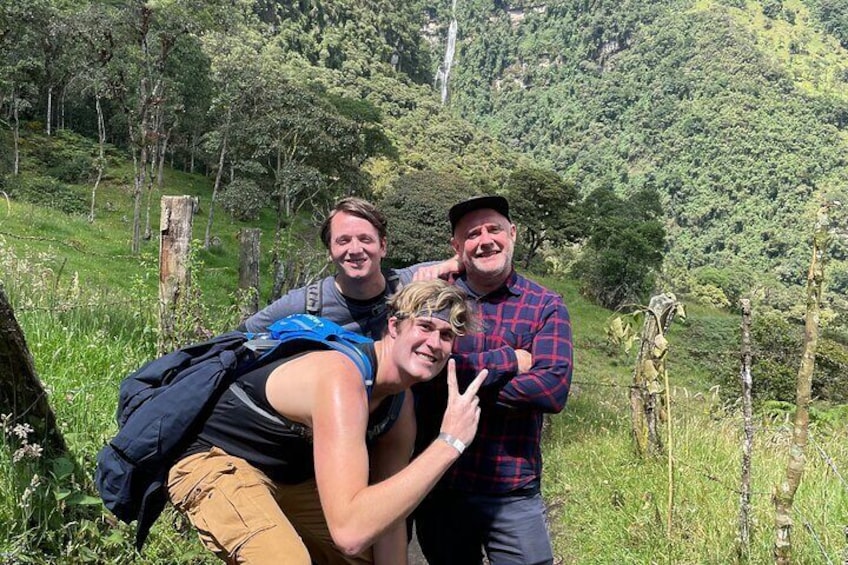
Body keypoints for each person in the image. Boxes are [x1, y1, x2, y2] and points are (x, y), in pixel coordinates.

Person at [168, 280, 488, 565]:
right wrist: (449, 443)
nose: (435, 343)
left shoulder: (399, 406)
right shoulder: (341, 378)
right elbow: (350, 531)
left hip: (286, 477)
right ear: (394, 326)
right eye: (425, 327)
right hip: (213, 460)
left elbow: (389, 521)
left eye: (447, 335)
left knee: (367, 556)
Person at [412, 195, 573, 565]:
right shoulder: (437, 296)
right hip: (442, 486)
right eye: (472, 234)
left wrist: (457, 387)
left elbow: (552, 389)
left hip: (513, 488)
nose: (485, 240)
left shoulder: (545, 304)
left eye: (493, 229)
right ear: (456, 247)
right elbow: (422, 377)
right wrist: (510, 361)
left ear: (512, 234)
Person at [241, 197, 457, 338]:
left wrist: (449, 264)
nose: (355, 250)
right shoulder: (307, 303)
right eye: (343, 241)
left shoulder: (409, 283)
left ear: (383, 246)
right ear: (329, 251)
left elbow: (473, 259)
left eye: (365, 239)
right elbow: (240, 335)